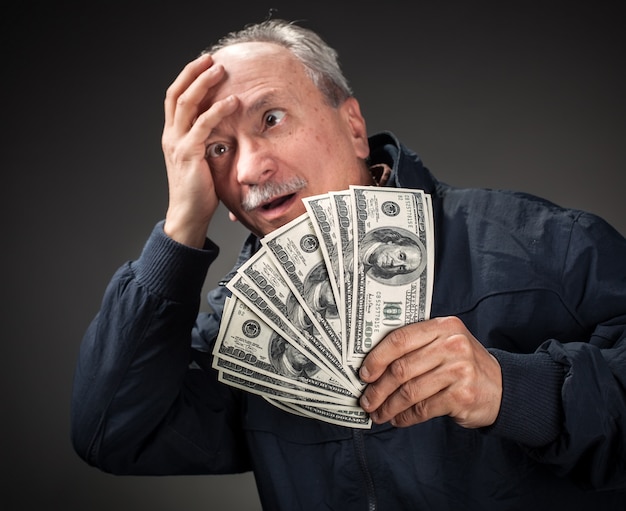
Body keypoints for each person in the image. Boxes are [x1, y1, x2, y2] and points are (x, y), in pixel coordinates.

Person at [71, 18, 626, 510]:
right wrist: (181, 227)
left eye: (271, 118)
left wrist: (511, 391)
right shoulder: (239, 328)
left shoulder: (541, 241)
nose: (249, 169)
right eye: (218, 149)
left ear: (354, 127)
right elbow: (112, 433)